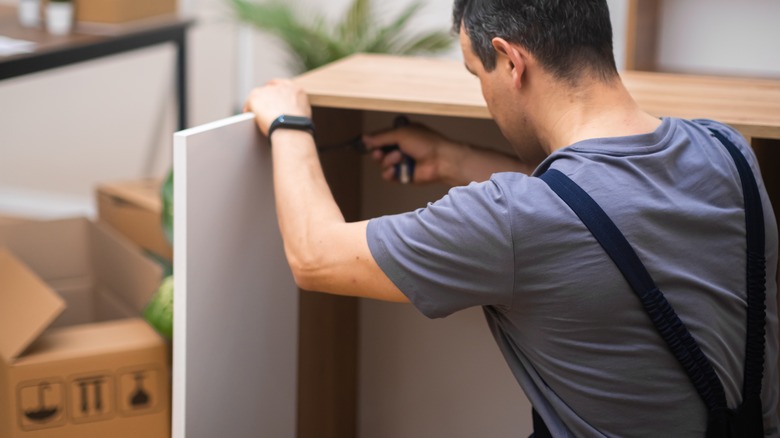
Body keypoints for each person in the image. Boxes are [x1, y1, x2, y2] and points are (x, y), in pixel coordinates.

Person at [243, 0, 779, 435]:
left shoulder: (509, 220)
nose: (486, 96)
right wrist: (455, 159)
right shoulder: (728, 152)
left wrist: (289, 121)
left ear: (511, 61)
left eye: (478, 75)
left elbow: (315, 256)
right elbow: (602, 206)